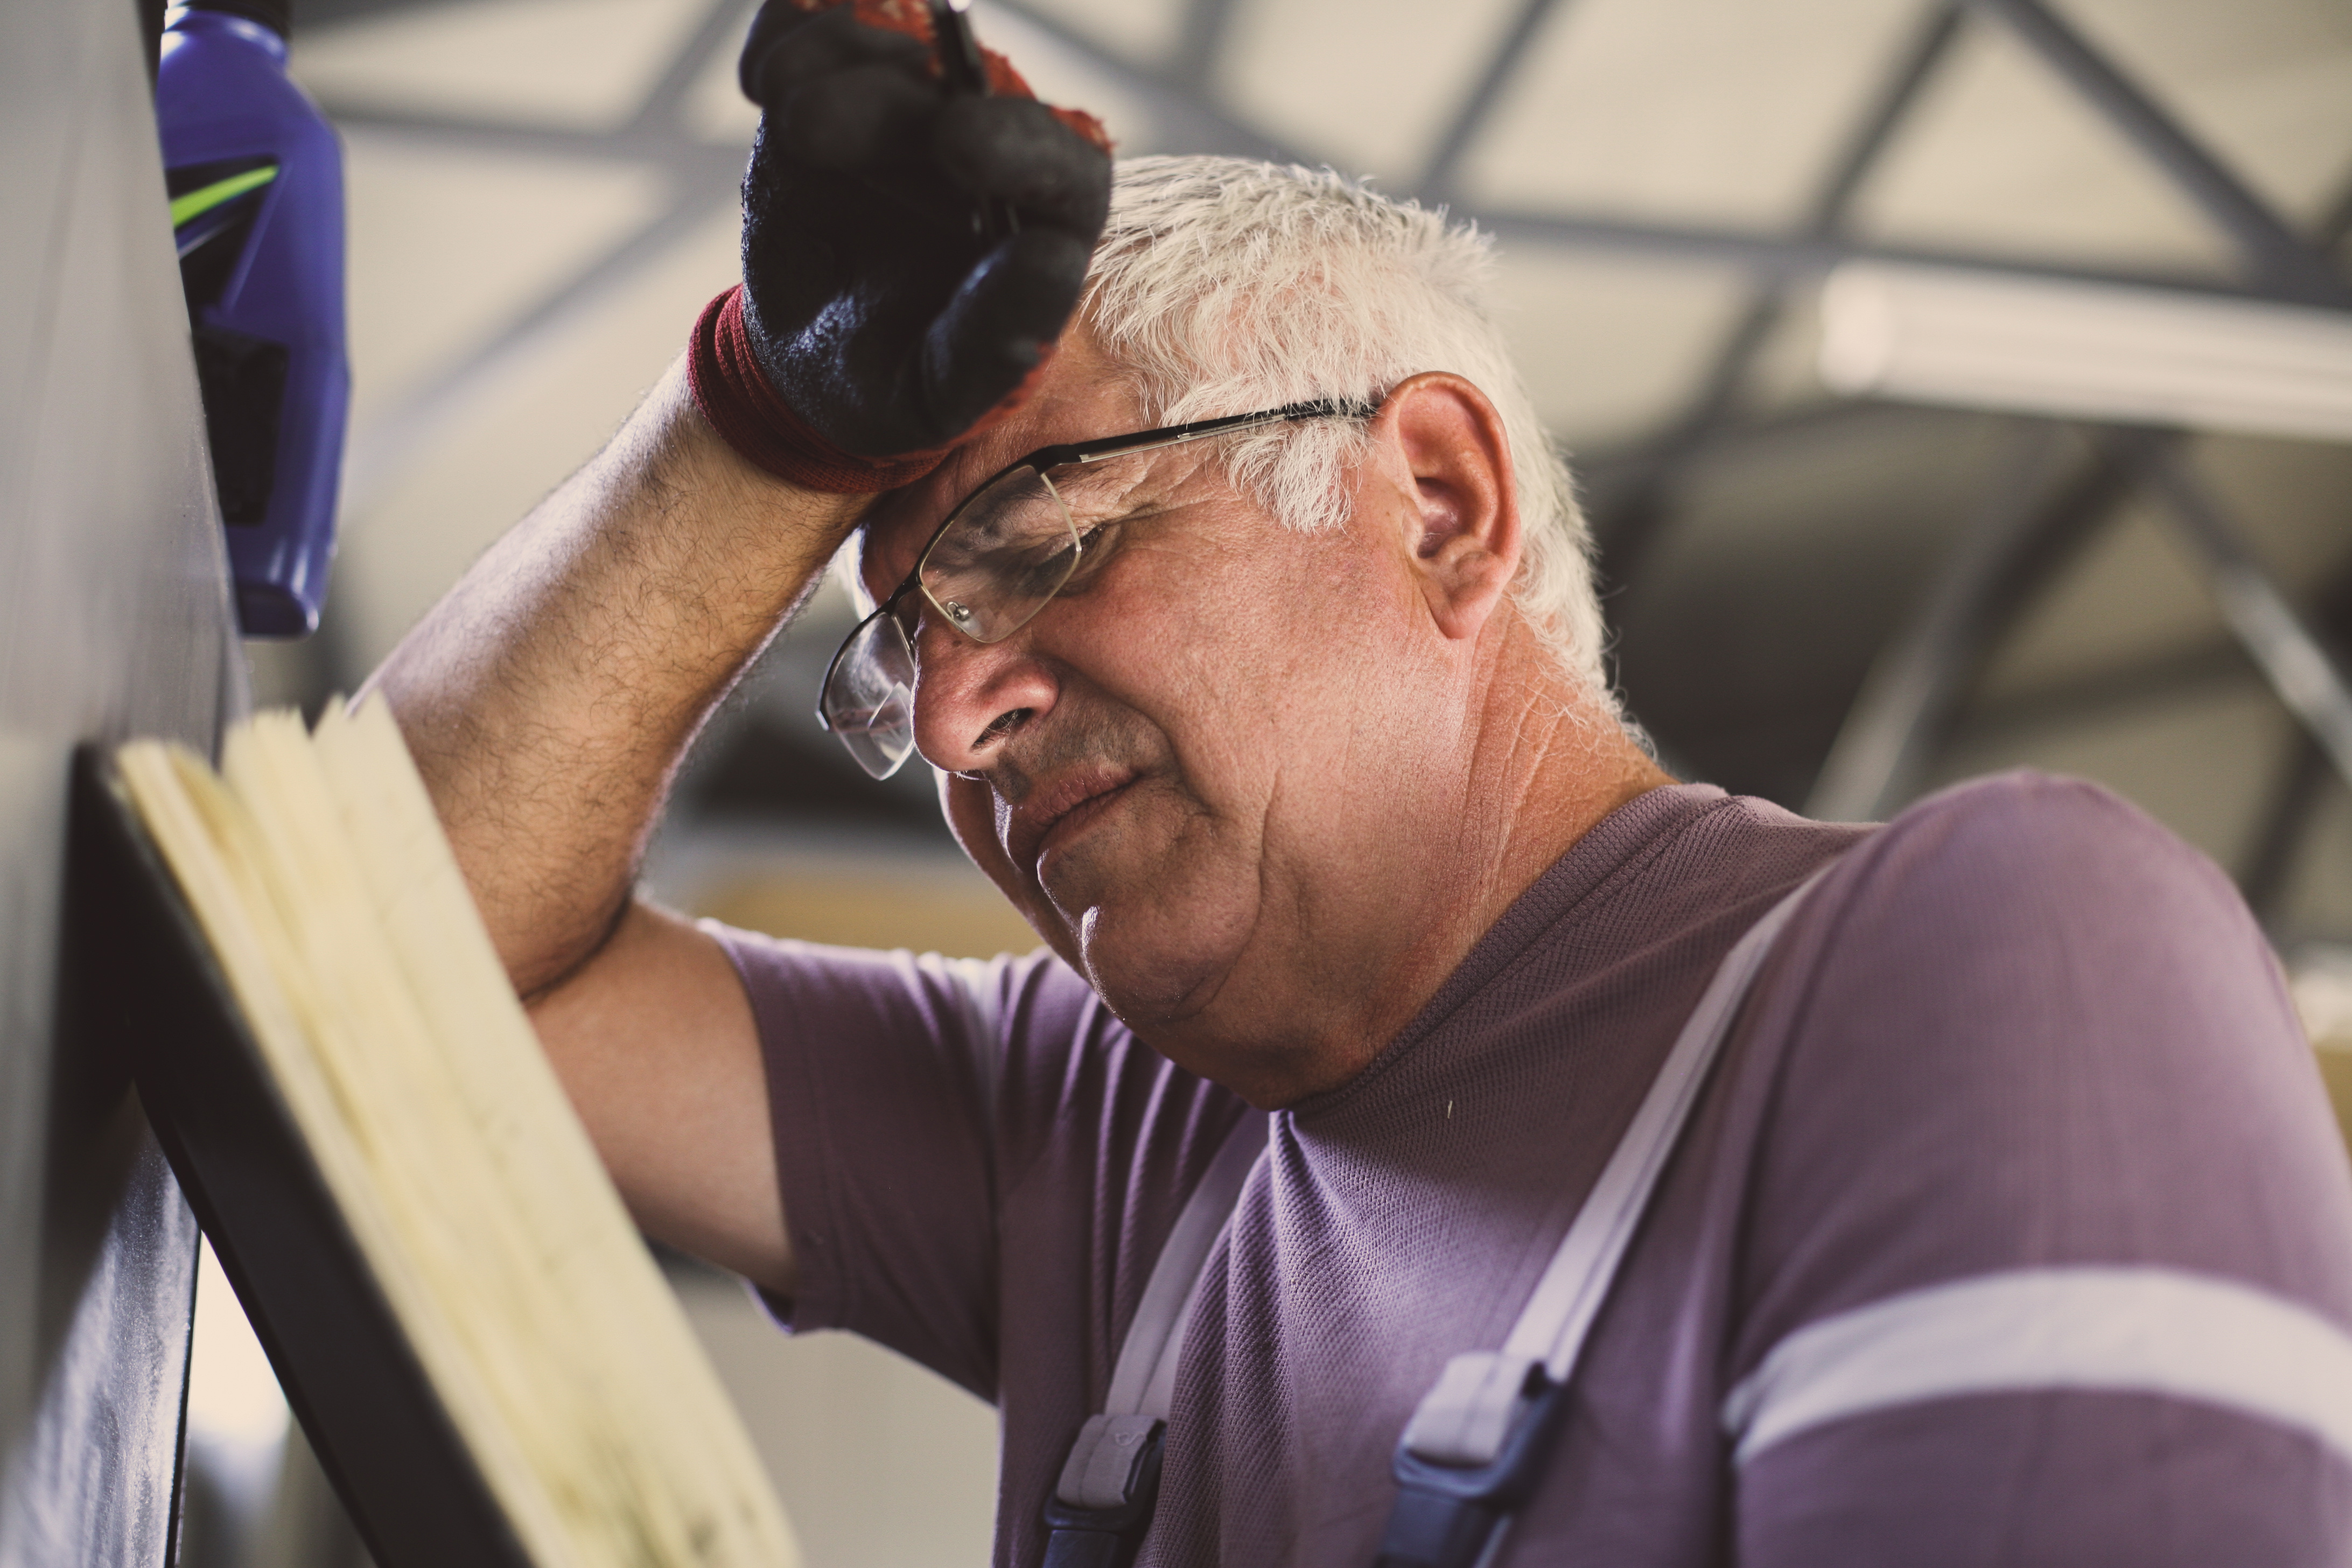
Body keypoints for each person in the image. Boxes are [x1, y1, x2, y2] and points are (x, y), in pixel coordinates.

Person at [366, 3, 2352, 1563]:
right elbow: (378, 954)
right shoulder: (1094, 1127)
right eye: (907, 649)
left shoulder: (1993, 984)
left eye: (1053, 548)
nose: (956, 726)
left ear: (1438, 505)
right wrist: (761, 426)